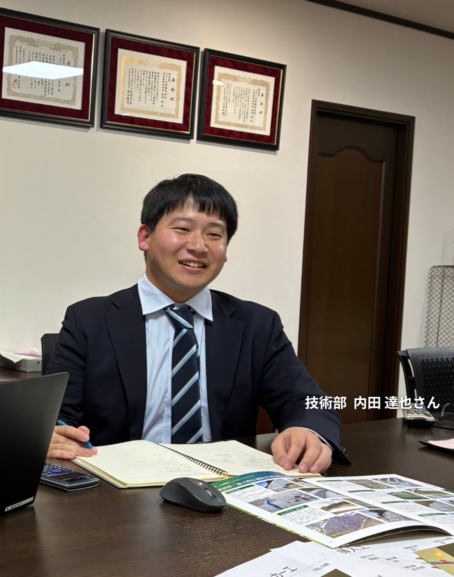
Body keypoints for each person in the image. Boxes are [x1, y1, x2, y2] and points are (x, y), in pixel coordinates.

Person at [46, 174, 348, 474]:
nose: (199, 246)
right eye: (182, 229)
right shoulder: (89, 320)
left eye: (214, 234)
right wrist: (51, 436)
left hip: (223, 490)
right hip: (114, 491)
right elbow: (56, 417)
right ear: (145, 237)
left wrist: (307, 430)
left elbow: (306, 400)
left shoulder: (258, 325)